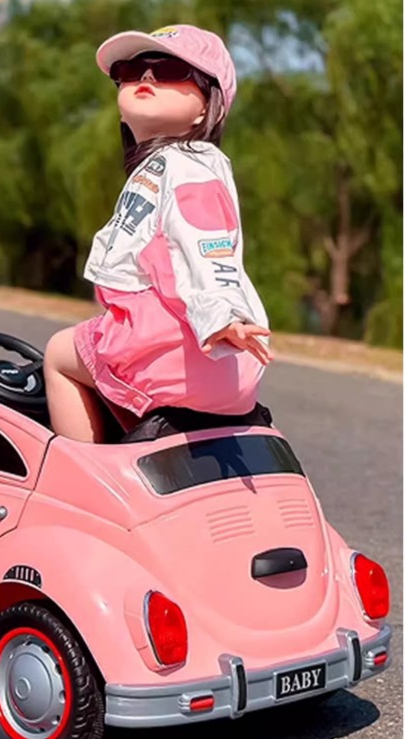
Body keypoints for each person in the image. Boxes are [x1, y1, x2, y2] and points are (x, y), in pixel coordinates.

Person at [44, 23, 274, 442]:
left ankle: (87, 467)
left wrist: (223, 317)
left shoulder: (188, 167)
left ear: (208, 108)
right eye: (131, 72)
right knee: (96, 348)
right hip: (217, 367)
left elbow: (207, 245)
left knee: (60, 354)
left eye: (170, 70)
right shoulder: (169, 165)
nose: (147, 77)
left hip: (181, 351)